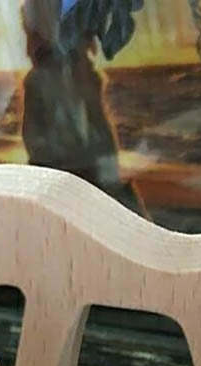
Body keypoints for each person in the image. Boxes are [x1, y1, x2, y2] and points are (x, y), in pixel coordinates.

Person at [21, 0, 145, 214]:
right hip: (65, 180)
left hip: (80, 178)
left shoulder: (84, 77)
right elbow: (35, 141)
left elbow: (101, 134)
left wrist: (109, 178)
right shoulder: (40, 81)